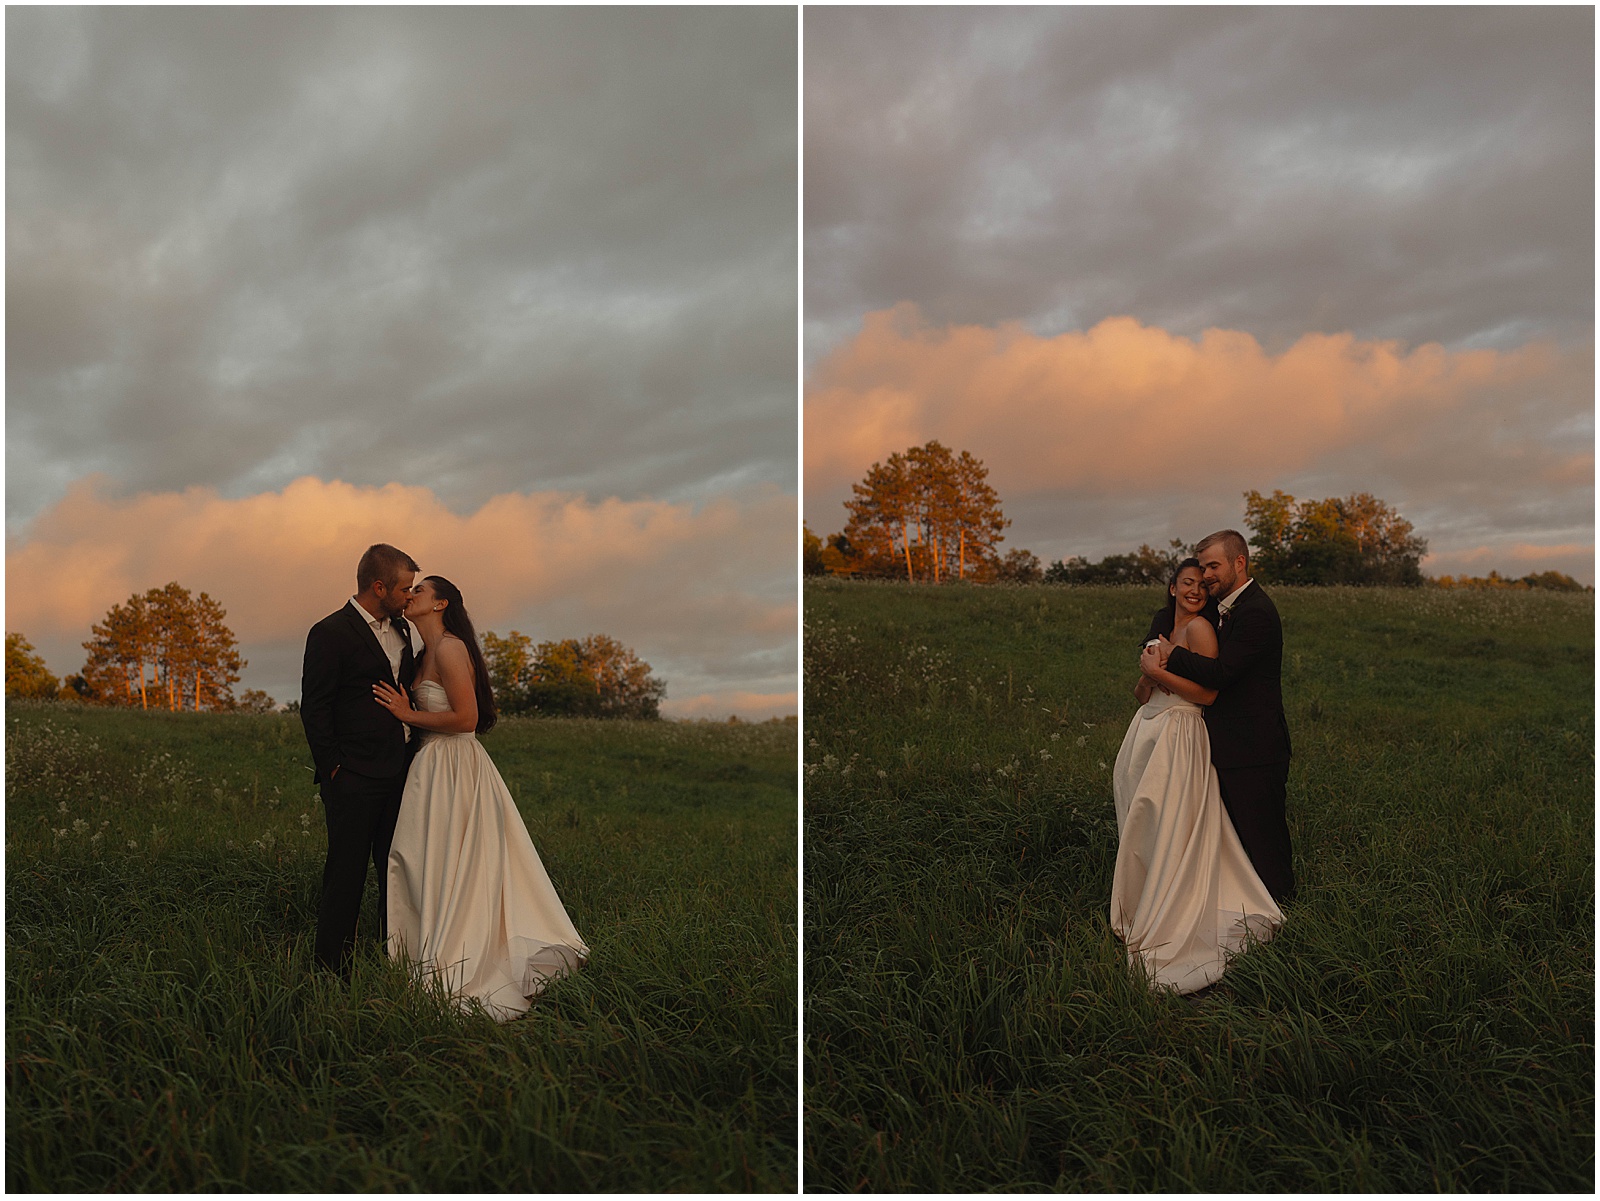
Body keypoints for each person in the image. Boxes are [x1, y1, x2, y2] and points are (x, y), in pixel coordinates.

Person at [374, 575, 588, 1021]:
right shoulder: (421, 654)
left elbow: (467, 719)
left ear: (441, 604)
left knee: (455, 861)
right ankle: (419, 946)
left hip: (454, 766)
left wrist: (405, 713)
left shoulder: (451, 648)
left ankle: (456, 951)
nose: (410, 595)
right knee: (421, 859)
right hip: (430, 767)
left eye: (421, 591)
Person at [1111, 557, 1282, 993]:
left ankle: (1169, 907)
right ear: (1172, 588)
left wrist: (1159, 672)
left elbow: (1207, 694)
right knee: (1141, 819)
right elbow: (1140, 690)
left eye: (1202, 587)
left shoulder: (1202, 631)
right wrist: (1148, 675)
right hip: (1148, 726)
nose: (1195, 592)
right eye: (1188, 583)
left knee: (1165, 820)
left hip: (1179, 731)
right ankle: (1144, 898)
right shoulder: (1162, 629)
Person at [1142, 529, 1296, 902]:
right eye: (1203, 566)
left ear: (1239, 563)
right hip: (1224, 745)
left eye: (1214, 565)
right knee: (1235, 840)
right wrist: (1158, 636)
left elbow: (1223, 674)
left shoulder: (1257, 612)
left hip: (1255, 746)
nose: (1207, 574)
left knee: (1263, 838)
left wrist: (1168, 655)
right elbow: (1178, 609)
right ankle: (1242, 902)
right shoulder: (1222, 606)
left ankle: (1281, 909)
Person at [300, 543, 420, 975]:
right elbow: (314, 707)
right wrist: (334, 767)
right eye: (404, 588)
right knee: (346, 875)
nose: (410, 595)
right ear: (378, 586)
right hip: (352, 777)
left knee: (396, 869)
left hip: (400, 772)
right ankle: (331, 970)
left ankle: (396, 959)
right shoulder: (330, 632)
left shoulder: (404, 631)